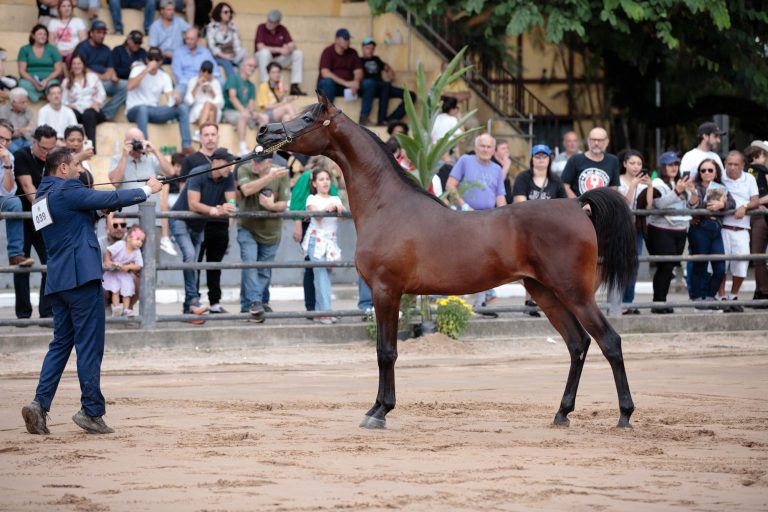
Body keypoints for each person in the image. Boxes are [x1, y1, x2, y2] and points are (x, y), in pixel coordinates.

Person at [20, 147, 162, 436]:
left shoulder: (40, 200)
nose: (78, 170)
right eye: (74, 166)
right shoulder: (68, 190)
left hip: (58, 281)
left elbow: (70, 223)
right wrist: (146, 190)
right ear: (61, 169)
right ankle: (91, 411)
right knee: (89, 346)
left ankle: (40, 404)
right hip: (82, 278)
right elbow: (108, 196)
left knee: (60, 344)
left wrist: (96, 211)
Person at [170, 145, 236, 321]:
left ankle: (189, 308)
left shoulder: (228, 176)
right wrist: (215, 210)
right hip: (180, 219)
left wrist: (229, 206)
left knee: (193, 262)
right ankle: (193, 300)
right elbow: (193, 204)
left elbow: (231, 200)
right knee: (191, 257)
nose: (230, 166)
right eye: (227, 163)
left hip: (199, 224)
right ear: (215, 163)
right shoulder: (198, 172)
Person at [446, 133, 506, 316]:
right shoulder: (465, 160)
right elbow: (450, 185)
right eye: (482, 146)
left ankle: (480, 304)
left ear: (494, 150)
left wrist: (503, 217)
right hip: (465, 217)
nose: (486, 149)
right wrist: (463, 205)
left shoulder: (497, 169)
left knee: (484, 261)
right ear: (476, 146)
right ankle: (453, 302)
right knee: (461, 259)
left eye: (489, 147)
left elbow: (500, 196)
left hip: (488, 218)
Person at [512, 143, 567, 316]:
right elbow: (520, 204)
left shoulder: (556, 181)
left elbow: (563, 205)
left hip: (549, 231)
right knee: (525, 265)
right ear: (532, 159)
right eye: (537, 156)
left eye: (544, 156)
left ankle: (535, 299)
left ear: (549, 159)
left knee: (545, 265)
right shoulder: (523, 178)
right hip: (526, 229)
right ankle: (531, 298)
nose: (541, 160)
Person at [237, 152, 290, 319]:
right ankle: (255, 303)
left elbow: (284, 203)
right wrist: (268, 177)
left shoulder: (281, 174)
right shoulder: (244, 169)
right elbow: (246, 190)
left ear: (269, 162)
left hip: (271, 231)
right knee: (250, 264)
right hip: (247, 227)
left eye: (259, 161)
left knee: (264, 271)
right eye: (254, 159)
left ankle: (249, 305)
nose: (255, 163)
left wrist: (272, 206)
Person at [13, 125, 58, 320]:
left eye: (51, 149)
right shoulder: (21, 155)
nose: (47, 153)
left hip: (45, 220)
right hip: (24, 219)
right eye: (43, 149)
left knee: (50, 264)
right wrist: (44, 206)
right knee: (22, 268)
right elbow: (27, 186)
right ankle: (23, 314)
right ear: (34, 142)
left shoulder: (54, 160)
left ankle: (46, 312)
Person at [645, 151, 694, 314]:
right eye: (670, 164)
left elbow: (692, 206)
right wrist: (677, 191)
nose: (674, 167)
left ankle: (661, 302)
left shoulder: (681, 182)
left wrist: (692, 192)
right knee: (664, 267)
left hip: (681, 229)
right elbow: (659, 204)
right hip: (660, 230)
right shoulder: (657, 182)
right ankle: (658, 303)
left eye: (676, 164)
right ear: (663, 166)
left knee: (669, 266)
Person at [290, 155, 339, 315]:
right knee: (312, 267)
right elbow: (297, 199)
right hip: (309, 224)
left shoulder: (328, 180)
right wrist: (297, 221)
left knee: (320, 271)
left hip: (326, 228)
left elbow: (335, 198)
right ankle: (312, 306)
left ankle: (318, 307)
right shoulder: (307, 176)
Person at [126, 46, 193, 153]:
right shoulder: (137, 69)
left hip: (153, 110)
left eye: (157, 59)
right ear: (147, 59)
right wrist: (147, 69)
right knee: (143, 109)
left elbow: (170, 97)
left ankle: (186, 145)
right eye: (151, 58)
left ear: (161, 61)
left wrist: (176, 98)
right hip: (134, 110)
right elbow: (129, 86)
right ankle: (144, 145)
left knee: (182, 108)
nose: (154, 62)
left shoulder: (164, 76)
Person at [688, 158, 735, 308]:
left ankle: (709, 296)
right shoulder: (694, 187)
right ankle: (698, 298)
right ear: (699, 173)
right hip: (700, 228)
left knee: (720, 267)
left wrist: (722, 204)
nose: (706, 173)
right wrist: (711, 205)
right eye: (703, 170)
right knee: (700, 265)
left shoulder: (721, 186)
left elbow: (733, 204)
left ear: (716, 173)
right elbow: (696, 205)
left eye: (710, 170)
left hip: (716, 230)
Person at [302, 167, 346, 324]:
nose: (325, 182)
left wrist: (337, 208)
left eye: (327, 179)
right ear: (314, 183)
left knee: (325, 277)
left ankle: (322, 312)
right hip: (317, 240)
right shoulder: (311, 199)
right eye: (321, 179)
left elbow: (342, 217)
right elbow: (318, 217)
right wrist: (328, 209)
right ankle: (325, 312)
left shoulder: (336, 199)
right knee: (320, 276)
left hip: (331, 241)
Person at [717, 150, 759, 312]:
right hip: (722, 228)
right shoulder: (720, 178)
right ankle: (721, 298)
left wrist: (744, 206)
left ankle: (733, 296)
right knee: (720, 266)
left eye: (736, 164)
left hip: (742, 228)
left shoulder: (749, 178)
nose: (732, 167)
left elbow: (755, 200)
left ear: (743, 165)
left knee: (741, 265)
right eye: (729, 163)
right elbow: (713, 199)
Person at [614, 149, 651, 315]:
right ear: (624, 164)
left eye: (639, 164)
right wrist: (633, 185)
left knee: (633, 266)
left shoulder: (643, 182)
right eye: (632, 163)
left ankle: (629, 302)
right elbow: (625, 204)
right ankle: (617, 302)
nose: (636, 167)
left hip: (637, 229)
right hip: (620, 229)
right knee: (621, 265)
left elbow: (648, 207)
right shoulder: (618, 181)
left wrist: (649, 186)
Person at [73, 19, 127, 121]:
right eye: (98, 32)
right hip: (86, 83)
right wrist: (102, 76)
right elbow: (80, 68)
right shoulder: (82, 47)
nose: (101, 35)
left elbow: (110, 68)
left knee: (126, 86)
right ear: (91, 33)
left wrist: (113, 76)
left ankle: (106, 113)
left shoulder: (106, 49)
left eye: (103, 33)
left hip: (104, 83)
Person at [0, 119, 34, 267]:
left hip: (1, 199)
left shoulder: (9, 157)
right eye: (1, 138)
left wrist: (6, 163)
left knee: (14, 202)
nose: (4, 143)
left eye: (8, 140)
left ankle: (15, 255)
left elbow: (8, 192)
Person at [358, 37, 409, 126]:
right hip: (370, 89)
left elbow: (386, 66)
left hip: (383, 87)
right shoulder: (359, 60)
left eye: (372, 49)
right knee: (384, 85)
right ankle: (381, 120)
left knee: (410, 95)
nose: (370, 51)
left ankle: (392, 119)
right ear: (362, 48)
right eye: (368, 48)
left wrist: (390, 71)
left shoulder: (376, 59)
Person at [254, 9, 305, 96]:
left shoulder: (282, 29)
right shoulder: (261, 27)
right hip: (263, 59)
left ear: (278, 23)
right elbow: (260, 47)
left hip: (277, 60)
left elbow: (292, 45)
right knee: (264, 52)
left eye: (272, 22)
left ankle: (294, 86)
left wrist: (288, 49)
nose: (269, 23)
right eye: (268, 20)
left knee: (298, 53)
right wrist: (280, 49)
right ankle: (265, 85)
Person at [61, 54, 105, 152]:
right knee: (71, 114)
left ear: (84, 65)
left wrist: (96, 103)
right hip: (77, 110)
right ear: (71, 66)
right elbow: (63, 101)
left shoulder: (92, 77)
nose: (76, 66)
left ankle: (90, 149)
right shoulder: (66, 82)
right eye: (74, 64)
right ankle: (71, 150)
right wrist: (69, 105)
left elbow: (102, 93)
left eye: (79, 63)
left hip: (93, 110)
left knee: (88, 114)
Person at [222, 56, 265, 156]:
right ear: (242, 66)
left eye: (254, 66)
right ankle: (242, 148)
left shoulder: (251, 85)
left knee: (263, 118)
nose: (252, 68)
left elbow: (251, 105)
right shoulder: (233, 78)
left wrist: (253, 113)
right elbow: (232, 97)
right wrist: (244, 111)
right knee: (244, 115)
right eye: (250, 65)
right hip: (229, 111)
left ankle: (260, 147)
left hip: (243, 114)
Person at [561, 126, 620, 198]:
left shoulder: (613, 160)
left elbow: (614, 187)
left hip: (603, 206)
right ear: (588, 140)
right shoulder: (575, 159)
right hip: (579, 206)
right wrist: (577, 202)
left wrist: (606, 203)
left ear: (607, 141)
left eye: (600, 140)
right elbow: (565, 185)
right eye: (593, 139)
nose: (596, 143)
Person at [103, 224, 146, 317]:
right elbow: (108, 252)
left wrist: (129, 267)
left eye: (142, 241)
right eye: (137, 239)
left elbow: (139, 265)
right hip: (113, 272)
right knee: (115, 290)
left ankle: (126, 309)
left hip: (123, 273)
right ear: (129, 238)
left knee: (128, 289)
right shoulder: (120, 245)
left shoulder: (137, 251)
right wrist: (108, 261)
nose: (140, 243)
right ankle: (116, 307)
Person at [745, 142, 768, 305]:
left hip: (760, 216)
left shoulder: (745, 172)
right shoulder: (760, 171)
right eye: (763, 155)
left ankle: (763, 292)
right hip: (755, 216)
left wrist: (753, 202)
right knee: (757, 256)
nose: (765, 158)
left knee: (757, 256)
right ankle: (761, 292)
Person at [17, 24, 63, 103]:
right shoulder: (24, 49)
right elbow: (22, 71)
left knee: (54, 86)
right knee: (22, 84)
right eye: (40, 34)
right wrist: (34, 82)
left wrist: (46, 80)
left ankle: (45, 93)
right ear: (33, 36)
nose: (43, 36)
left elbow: (58, 70)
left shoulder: (52, 49)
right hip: (31, 79)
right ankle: (44, 95)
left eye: (45, 34)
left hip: (49, 79)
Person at [316, 28, 362, 106]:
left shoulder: (353, 52)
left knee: (368, 84)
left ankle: (364, 116)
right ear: (337, 40)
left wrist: (356, 82)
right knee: (328, 82)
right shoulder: (328, 51)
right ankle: (327, 112)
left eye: (349, 39)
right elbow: (325, 73)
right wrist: (346, 83)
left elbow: (359, 71)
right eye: (345, 39)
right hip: (329, 86)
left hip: (346, 87)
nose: (348, 41)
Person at [172, 27, 221, 96]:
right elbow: (178, 75)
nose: (188, 42)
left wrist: (209, 80)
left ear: (198, 40)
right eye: (187, 39)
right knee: (178, 93)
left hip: (205, 80)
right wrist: (194, 84)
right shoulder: (178, 53)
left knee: (222, 83)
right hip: (186, 83)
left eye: (192, 39)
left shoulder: (205, 52)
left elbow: (215, 70)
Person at [206, 2, 245, 79]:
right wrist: (224, 56)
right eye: (226, 12)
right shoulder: (212, 26)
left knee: (243, 64)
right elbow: (212, 46)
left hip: (231, 56)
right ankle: (232, 85)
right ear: (219, 13)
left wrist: (237, 55)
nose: (229, 14)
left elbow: (237, 45)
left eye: (230, 11)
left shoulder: (232, 26)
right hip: (218, 56)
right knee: (227, 64)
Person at [185, 60, 224, 126]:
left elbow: (221, 104)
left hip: (214, 108)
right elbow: (188, 101)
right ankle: (206, 133)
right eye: (203, 71)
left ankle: (200, 132)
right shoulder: (193, 81)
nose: (205, 74)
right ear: (199, 71)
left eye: (208, 72)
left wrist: (212, 92)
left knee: (208, 105)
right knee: (209, 113)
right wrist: (197, 86)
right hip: (198, 110)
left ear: (211, 74)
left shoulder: (215, 83)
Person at [0, 88, 36, 153]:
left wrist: (18, 130)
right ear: (13, 102)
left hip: (26, 139)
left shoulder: (28, 110)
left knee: (35, 147)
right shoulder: (3, 111)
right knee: (18, 152)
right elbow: (5, 132)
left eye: (26, 101)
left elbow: (33, 128)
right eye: (23, 102)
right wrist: (23, 129)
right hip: (10, 141)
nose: (26, 104)